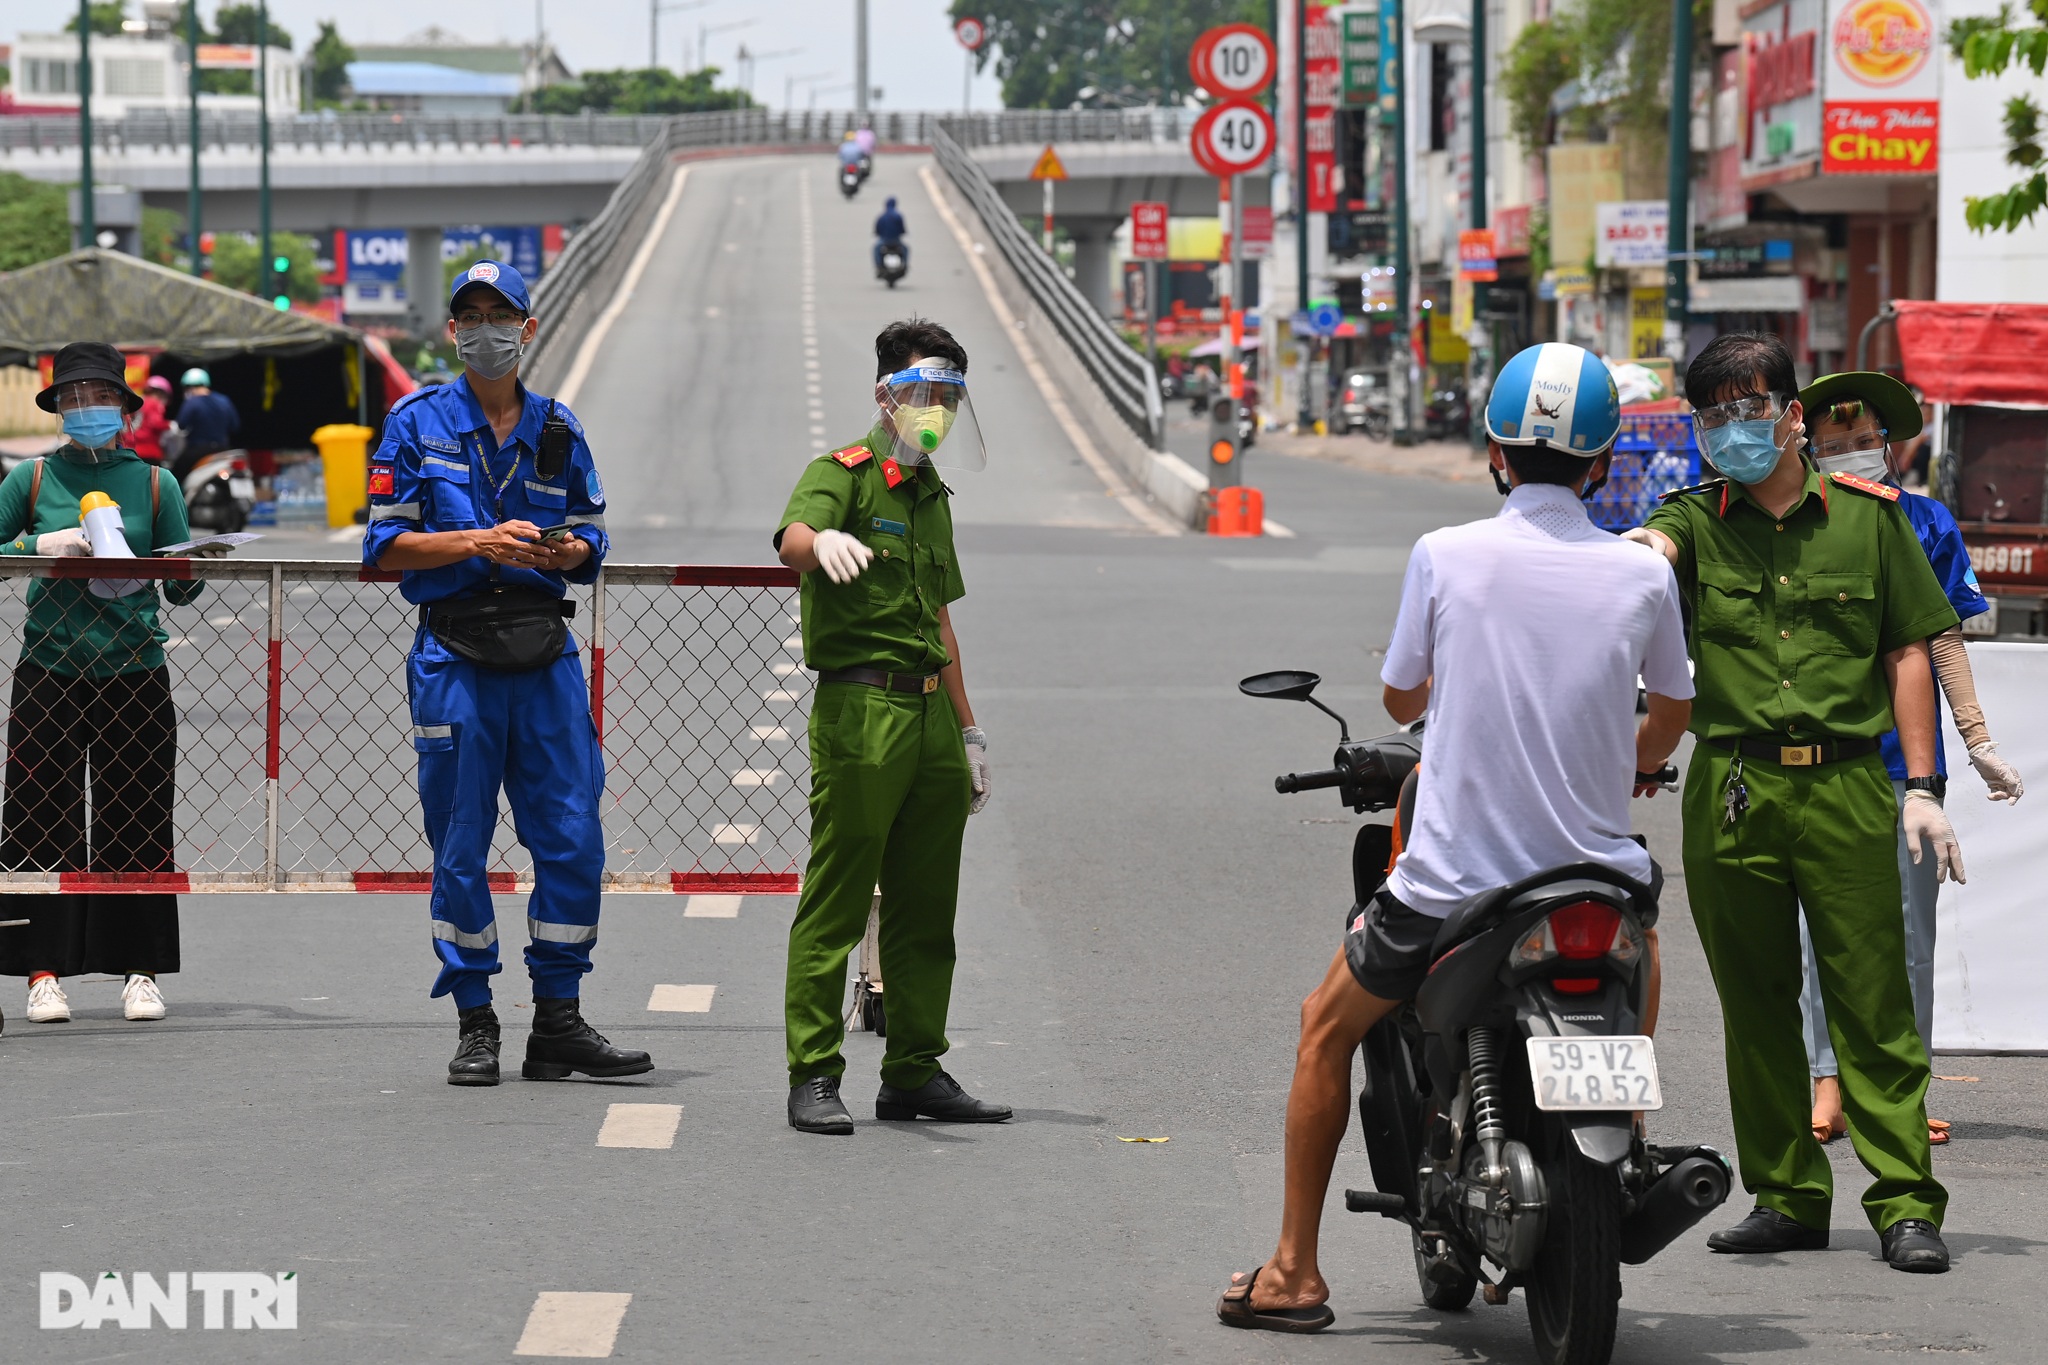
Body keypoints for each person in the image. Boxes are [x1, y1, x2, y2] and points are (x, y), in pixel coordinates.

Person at [1216, 343, 1694, 1332]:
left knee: (1322, 1027)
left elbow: (1400, 695)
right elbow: (1667, 718)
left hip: (1450, 886)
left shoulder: (1444, 554)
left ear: (1492, 451)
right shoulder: (1639, 575)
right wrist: (1630, 760)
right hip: (1594, 884)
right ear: (1603, 464)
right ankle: (1630, 1138)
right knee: (1640, 958)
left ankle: (1294, 1272)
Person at [1626, 333, 1960, 1273]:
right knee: (1757, 999)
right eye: (1717, 414)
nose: (1739, 427)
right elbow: (1645, 555)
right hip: (1735, 787)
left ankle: (1903, 1200)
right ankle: (1787, 1194)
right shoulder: (1691, 519)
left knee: (1872, 998)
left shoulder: (1870, 519)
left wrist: (1924, 786)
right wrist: (1628, 551)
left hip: (1851, 784)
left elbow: (1908, 651)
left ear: (1793, 414)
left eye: (1754, 406)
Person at [363, 259, 649, 1088]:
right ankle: (475, 1018)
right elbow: (384, 545)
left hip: (544, 654)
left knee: (572, 837)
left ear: (528, 330)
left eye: (502, 315)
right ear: (453, 332)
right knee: (460, 843)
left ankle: (558, 1019)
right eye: (470, 316)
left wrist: (568, 549)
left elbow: (594, 536)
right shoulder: (414, 424)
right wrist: (476, 542)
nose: (485, 330)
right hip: (454, 653)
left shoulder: (559, 427)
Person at [774, 317, 1001, 1135]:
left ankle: (912, 1067)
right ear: (885, 395)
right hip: (862, 706)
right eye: (921, 392)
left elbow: (941, 620)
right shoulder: (846, 474)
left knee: (924, 902)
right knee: (837, 896)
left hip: (931, 709)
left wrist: (970, 733)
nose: (933, 407)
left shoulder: (933, 491)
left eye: (947, 394)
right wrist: (821, 540)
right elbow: (795, 536)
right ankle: (813, 1070)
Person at [1791, 371, 2024, 1148]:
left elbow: (1944, 638)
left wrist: (1979, 741)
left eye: (1863, 443)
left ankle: (1905, 1082)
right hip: (1818, 759)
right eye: (1834, 446)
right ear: (1808, 449)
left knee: (1908, 935)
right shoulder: (1793, 521)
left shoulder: (1925, 522)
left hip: (1905, 766)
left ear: (1890, 447)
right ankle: (1827, 1078)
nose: (1853, 455)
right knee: (1819, 933)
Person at [0, 342, 209, 1025]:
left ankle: (140, 971)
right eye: (73, 398)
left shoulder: (156, 485)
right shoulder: (29, 481)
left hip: (135, 670)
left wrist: (191, 564)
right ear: (57, 408)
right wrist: (40, 545)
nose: (86, 409)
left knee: (139, 817)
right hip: (50, 669)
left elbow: (183, 591)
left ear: (125, 408)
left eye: (99, 397)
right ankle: (41, 973)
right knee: (36, 818)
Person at [171, 368, 239, 477]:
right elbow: (235, 426)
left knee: (175, 473)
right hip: (223, 449)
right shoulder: (225, 400)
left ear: (189, 387)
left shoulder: (192, 401)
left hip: (198, 451)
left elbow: (181, 424)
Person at [128, 376, 173, 464]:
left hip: (130, 450)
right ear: (161, 393)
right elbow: (156, 423)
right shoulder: (154, 403)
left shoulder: (136, 402)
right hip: (149, 452)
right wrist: (170, 425)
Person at [873, 196, 908, 273]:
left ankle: (879, 266)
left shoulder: (882, 217)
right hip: (896, 240)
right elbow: (902, 229)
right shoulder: (898, 216)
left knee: (876, 249)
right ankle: (905, 264)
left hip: (884, 240)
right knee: (906, 249)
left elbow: (877, 229)